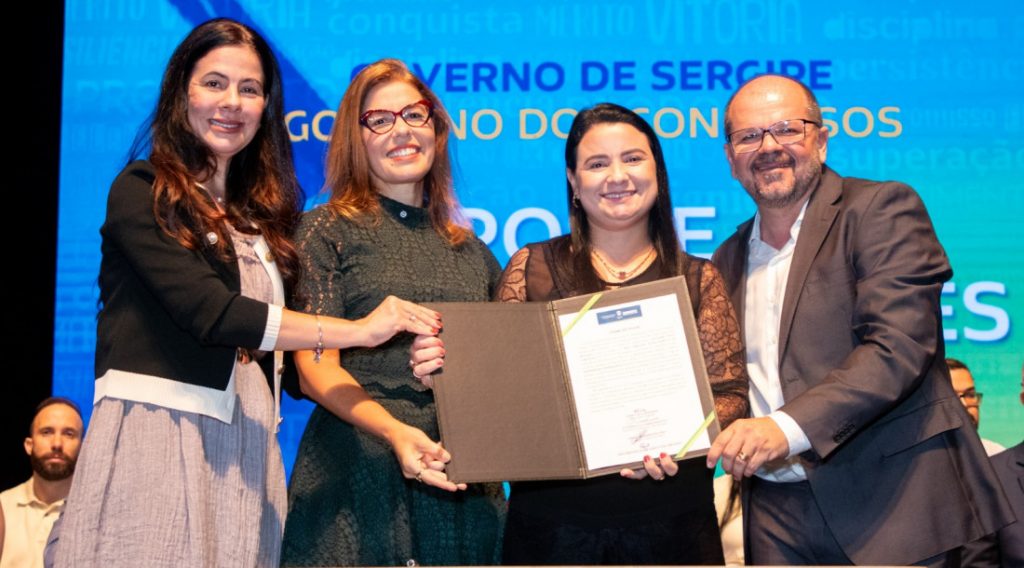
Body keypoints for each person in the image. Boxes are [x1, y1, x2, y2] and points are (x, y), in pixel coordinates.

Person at [49, 21, 439, 568]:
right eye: (214, 83)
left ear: (266, 108)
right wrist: (360, 329)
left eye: (249, 89)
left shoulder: (262, 223)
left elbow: (293, 364)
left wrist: (410, 370)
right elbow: (212, 314)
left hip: (249, 449)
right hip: (161, 434)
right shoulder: (143, 191)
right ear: (181, 93)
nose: (232, 102)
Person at [414, 103, 749, 565]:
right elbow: (497, 392)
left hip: (673, 525)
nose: (617, 176)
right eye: (597, 163)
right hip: (552, 529)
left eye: (633, 158)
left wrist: (683, 439)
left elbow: (730, 393)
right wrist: (445, 375)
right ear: (573, 181)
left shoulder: (698, 278)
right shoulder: (532, 268)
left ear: (657, 170)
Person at [705, 73, 1014, 565]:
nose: (769, 147)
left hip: (891, 503)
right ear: (730, 157)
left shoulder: (879, 210)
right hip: (775, 515)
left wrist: (785, 428)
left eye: (787, 129)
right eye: (749, 136)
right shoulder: (725, 259)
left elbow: (898, 347)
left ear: (821, 139)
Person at [280, 59, 505, 567]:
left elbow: (504, 377)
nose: (401, 130)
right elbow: (314, 369)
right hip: (357, 474)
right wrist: (395, 432)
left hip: (462, 479)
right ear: (355, 140)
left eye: (414, 114)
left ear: (436, 129)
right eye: (379, 120)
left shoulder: (474, 253)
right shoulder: (325, 230)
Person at [0, 398, 83, 568]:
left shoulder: (93, 514)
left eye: (69, 434)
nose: (57, 444)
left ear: (84, 447)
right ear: (29, 445)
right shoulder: (3, 506)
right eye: (46, 432)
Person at [946, 357, 1005, 455]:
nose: (964, 404)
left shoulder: (997, 455)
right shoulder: (920, 459)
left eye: (970, 395)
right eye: (953, 396)